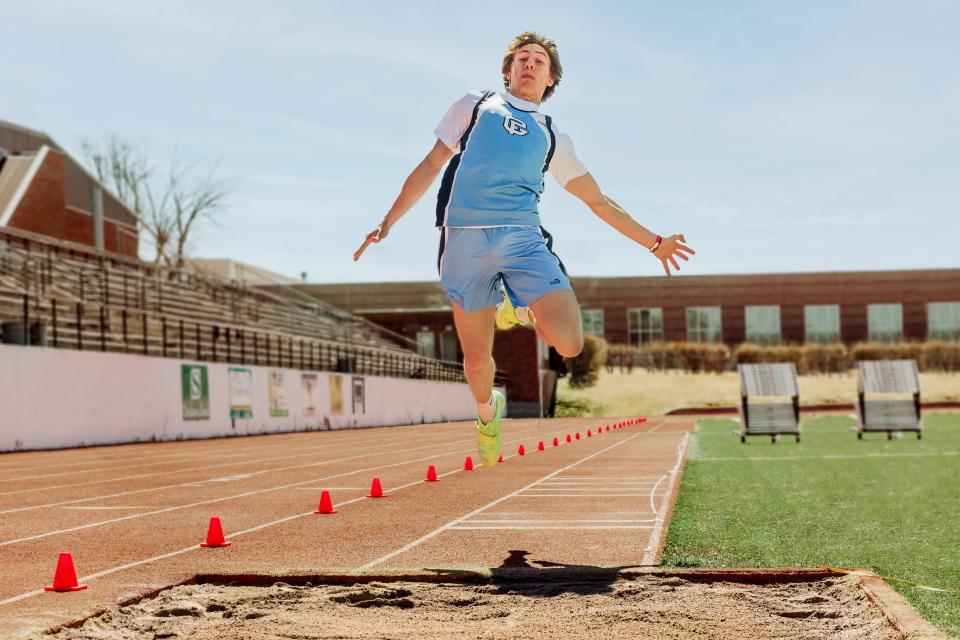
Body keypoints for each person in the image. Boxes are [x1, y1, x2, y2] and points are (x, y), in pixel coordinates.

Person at [354, 32, 695, 467]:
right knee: (477, 360)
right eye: (522, 58)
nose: (530, 65)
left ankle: (518, 306)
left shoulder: (551, 135)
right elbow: (429, 165)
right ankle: (486, 414)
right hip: (464, 241)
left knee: (570, 344)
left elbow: (598, 201)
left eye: (539, 61)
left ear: (550, 78)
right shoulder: (476, 105)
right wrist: (388, 220)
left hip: (522, 239)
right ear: (509, 70)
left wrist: (654, 242)